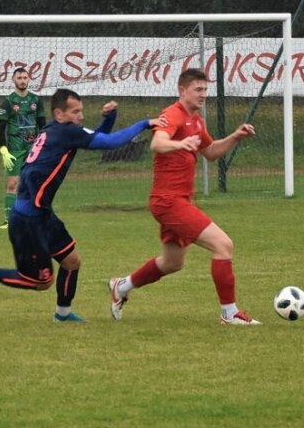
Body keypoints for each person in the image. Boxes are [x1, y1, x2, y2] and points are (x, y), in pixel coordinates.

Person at [0, 88, 168, 322]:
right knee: (41, 281)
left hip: (42, 213)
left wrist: (109, 119)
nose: (80, 116)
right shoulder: (65, 132)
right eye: (75, 112)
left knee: (71, 262)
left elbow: (96, 140)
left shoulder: (58, 130)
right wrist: (144, 123)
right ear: (59, 114)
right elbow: (109, 143)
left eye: (81, 110)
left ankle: (63, 314)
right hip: (28, 219)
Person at [108, 68, 261, 326]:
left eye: (205, 90)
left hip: (178, 200)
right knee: (223, 245)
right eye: (198, 89)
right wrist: (179, 145)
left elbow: (210, 151)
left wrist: (235, 136)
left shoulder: (197, 120)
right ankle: (229, 313)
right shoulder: (172, 115)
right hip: (168, 201)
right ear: (182, 90)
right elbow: (158, 143)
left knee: (172, 262)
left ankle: (121, 286)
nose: (203, 94)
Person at [0, 67, 46, 229]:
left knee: (33, 182)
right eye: (19, 78)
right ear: (13, 80)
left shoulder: (36, 100)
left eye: (25, 77)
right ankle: (9, 220)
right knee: (13, 183)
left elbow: (43, 126)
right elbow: (0, 128)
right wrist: (3, 149)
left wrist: (43, 146)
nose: (23, 80)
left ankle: (34, 217)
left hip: (33, 149)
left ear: (29, 80)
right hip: (15, 150)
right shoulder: (8, 102)